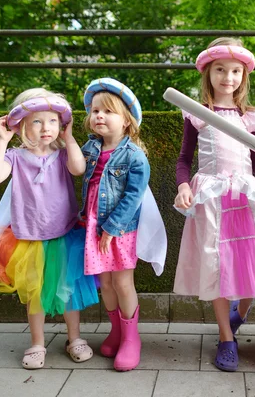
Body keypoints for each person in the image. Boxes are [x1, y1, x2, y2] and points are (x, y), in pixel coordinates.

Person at [173, 37, 255, 372]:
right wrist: (183, 185)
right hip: (211, 198)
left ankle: (240, 313)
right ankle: (226, 337)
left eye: (235, 71)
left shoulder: (250, 118)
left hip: (246, 196)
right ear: (208, 74)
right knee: (218, 266)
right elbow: (184, 159)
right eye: (221, 70)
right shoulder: (197, 114)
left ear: (243, 75)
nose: (228, 77)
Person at [0, 88, 99, 369]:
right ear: (22, 127)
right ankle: (38, 343)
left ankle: (74, 338)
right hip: (29, 239)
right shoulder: (16, 156)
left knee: (68, 291)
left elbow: (79, 168)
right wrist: (2, 141)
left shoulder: (64, 154)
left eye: (53, 121)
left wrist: (70, 137)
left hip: (64, 235)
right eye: (37, 121)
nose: (46, 128)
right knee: (35, 295)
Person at [81, 77, 166, 372]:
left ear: (127, 122)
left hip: (120, 228)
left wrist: (111, 228)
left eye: (108, 111)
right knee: (104, 281)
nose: (99, 116)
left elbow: (134, 196)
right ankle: (115, 330)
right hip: (93, 224)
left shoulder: (135, 156)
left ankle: (131, 338)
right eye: (94, 111)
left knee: (121, 281)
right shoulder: (89, 149)